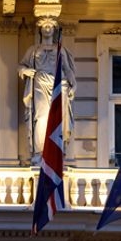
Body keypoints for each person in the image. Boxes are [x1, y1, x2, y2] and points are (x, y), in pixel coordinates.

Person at [19, 17, 76, 163]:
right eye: (44, 26)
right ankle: (40, 152)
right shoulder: (33, 50)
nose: (47, 28)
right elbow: (21, 66)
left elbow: (67, 69)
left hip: (58, 85)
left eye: (50, 26)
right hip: (40, 83)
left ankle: (56, 150)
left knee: (58, 118)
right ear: (40, 29)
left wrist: (73, 84)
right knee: (41, 117)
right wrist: (25, 71)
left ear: (54, 29)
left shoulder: (60, 49)